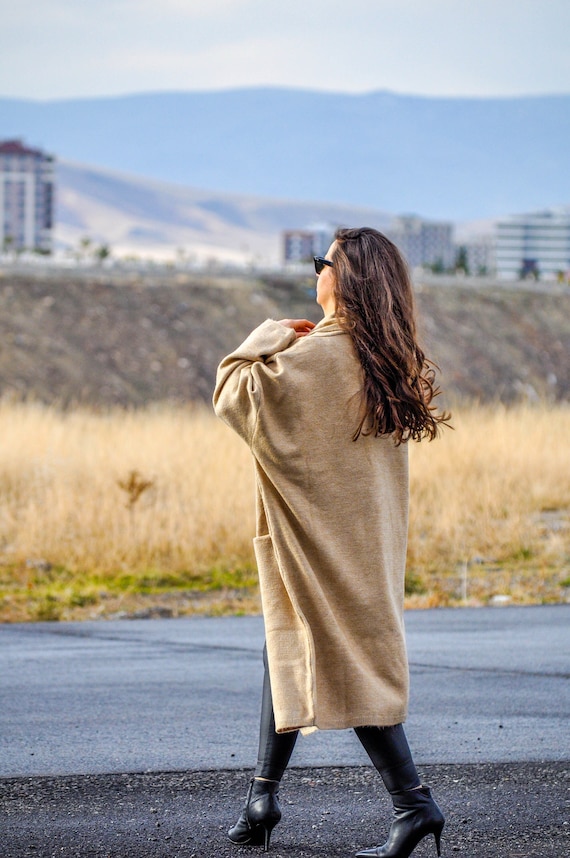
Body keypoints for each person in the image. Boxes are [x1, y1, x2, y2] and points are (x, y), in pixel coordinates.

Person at [213, 227, 449, 858]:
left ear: (346, 279)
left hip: (320, 536)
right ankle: (262, 794)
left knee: (341, 651)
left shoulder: (315, 355)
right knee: (290, 640)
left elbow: (232, 393)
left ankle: (414, 803)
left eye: (324, 263)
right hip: (367, 533)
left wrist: (268, 334)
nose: (316, 272)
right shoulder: (384, 357)